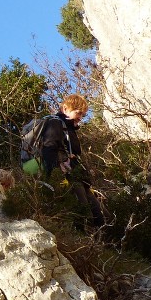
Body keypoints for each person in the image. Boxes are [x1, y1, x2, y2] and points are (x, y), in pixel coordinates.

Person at [39, 93, 104, 227]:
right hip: (68, 177)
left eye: (83, 114)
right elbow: (49, 149)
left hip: (78, 177)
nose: (80, 117)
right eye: (78, 113)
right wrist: (57, 177)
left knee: (99, 215)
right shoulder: (55, 123)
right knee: (84, 215)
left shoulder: (68, 128)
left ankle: (101, 244)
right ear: (65, 109)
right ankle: (85, 243)